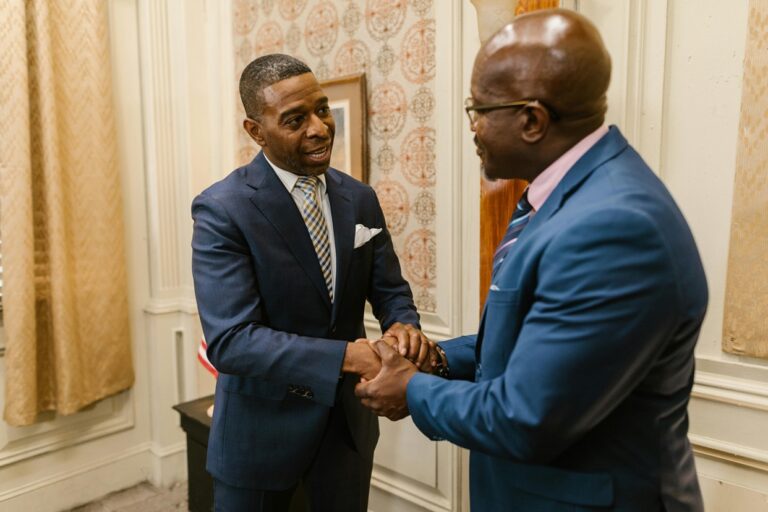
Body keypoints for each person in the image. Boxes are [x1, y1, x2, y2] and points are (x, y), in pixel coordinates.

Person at [355, 9, 708, 511]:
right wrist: (435, 359)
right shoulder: (563, 197)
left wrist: (411, 390)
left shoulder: (613, 226)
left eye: (478, 110)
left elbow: (526, 416)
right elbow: (534, 339)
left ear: (532, 120)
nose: (473, 128)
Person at [191, 54, 437, 512]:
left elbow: (390, 291)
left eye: (322, 109)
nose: (320, 128)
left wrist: (403, 326)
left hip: (346, 429)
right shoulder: (223, 210)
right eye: (295, 119)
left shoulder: (359, 198)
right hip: (260, 433)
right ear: (256, 131)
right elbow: (232, 341)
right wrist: (350, 356)